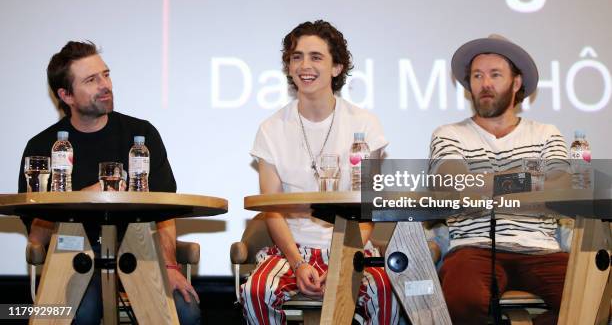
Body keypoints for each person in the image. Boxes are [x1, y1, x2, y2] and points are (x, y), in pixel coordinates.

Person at [18, 41, 200, 325]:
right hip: (74, 260)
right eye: (91, 80)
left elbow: (164, 215)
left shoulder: (141, 135)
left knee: (185, 311)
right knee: (81, 313)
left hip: (141, 255)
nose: (105, 85)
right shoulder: (43, 147)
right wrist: (86, 196)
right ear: (66, 95)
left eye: (105, 74)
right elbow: (38, 237)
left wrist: (169, 266)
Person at [240, 20, 400, 325]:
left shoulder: (365, 124)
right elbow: (271, 209)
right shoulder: (271, 129)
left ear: (337, 67)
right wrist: (299, 263)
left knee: (386, 289)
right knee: (255, 292)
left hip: (350, 244)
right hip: (292, 249)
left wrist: (340, 260)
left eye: (316, 57)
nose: (304, 65)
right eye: (296, 57)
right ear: (288, 67)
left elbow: (367, 208)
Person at [428, 34, 569, 325]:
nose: (485, 84)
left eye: (495, 75)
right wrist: (529, 179)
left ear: (516, 83)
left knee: (590, 297)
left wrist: (483, 181)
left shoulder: (546, 134)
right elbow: (452, 183)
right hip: (473, 246)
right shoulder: (449, 134)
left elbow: (560, 182)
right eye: (477, 76)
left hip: (540, 248)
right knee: (460, 299)